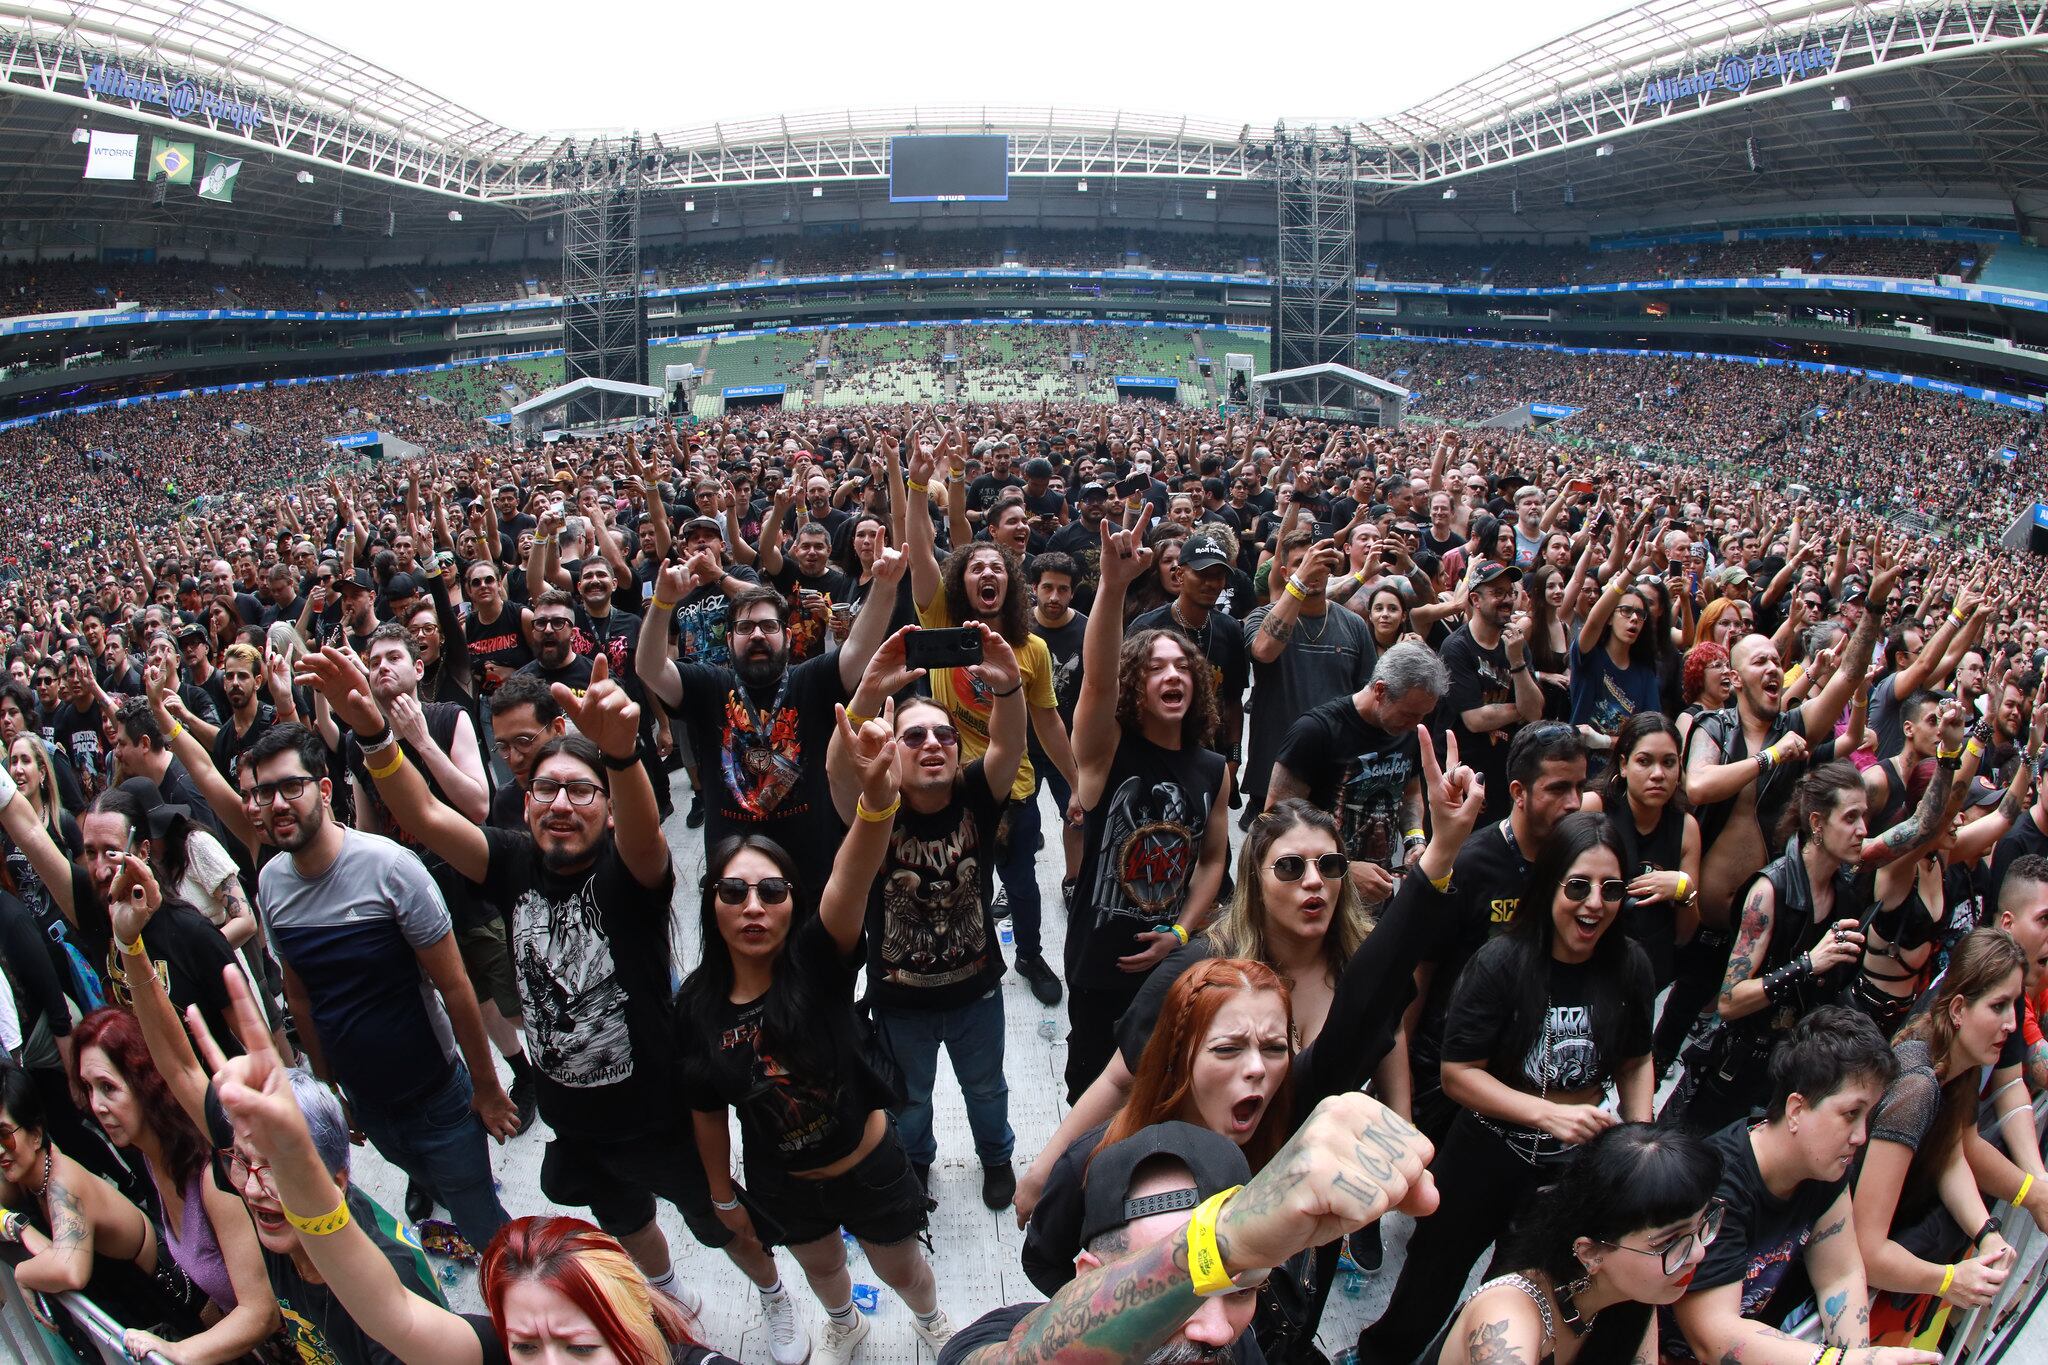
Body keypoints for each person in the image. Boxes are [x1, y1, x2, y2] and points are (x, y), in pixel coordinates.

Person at [304, 644, 804, 1355]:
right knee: (628, 1224)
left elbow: (644, 832)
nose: (561, 802)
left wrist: (624, 758)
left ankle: (774, 1293)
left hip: (659, 1109)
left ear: (604, 809)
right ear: (527, 801)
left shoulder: (628, 876)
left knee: (724, 1222)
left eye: (581, 789)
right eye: (546, 789)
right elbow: (419, 808)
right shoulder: (509, 861)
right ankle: (667, 1291)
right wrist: (375, 734)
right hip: (578, 1118)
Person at [676, 702, 953, 1365]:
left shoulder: (818, 959)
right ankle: (843, 1324)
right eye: (733, 891)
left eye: (771, 890)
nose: (753, 905)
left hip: (870, 1166)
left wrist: (876, 803)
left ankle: (932, 1319)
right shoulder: (696, 1005)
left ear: (793, 901)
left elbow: (853, 875)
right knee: (824, 1271)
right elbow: (706, 1107)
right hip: (783, 1179)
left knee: (904, 1271)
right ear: (711, 901)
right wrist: (722, 1195)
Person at [116, 851, 451, 1365]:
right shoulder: (250, 1165)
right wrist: (131, 945)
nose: (250, 1186)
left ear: (335, 1179)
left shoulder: (386, 1298)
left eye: (274, 1168)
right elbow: (180, 1070)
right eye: (242, 1162)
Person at [1358, 810, 1656, 1365]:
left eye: (1611, 889)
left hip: (1568, 1173)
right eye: (1578, 886)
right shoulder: (1501, 962)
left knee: (1516, 1293)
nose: (1594, 903)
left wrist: (1638, 1137)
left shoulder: (1630, 966)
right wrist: (1549, 1114)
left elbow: (1637, 1058)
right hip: (1484, 1153)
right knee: (1429, 1282)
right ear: (1549, 887)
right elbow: (1458, 1075)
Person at [239, 721, 516, 1253]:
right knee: (444, 1192)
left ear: (323, 790)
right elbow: (300, 995)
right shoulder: (271, 884)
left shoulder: (391, 869)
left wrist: (485, 1086)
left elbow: (456, 986)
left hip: (437, 1097)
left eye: (288, 787)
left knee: (487, 1227)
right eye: (260, 792)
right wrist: (329, 1094)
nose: (274, 804)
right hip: (368, 1109)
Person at [941, 1092, 1437, 1365]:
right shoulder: (998, 1338)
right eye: (1182, 1291)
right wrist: (1221, 1244)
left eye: (1242, 1291)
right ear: (1090, 1275)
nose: (1217, 1330)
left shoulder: (1233, 1353)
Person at [827, 621, 1024, 1210]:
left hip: (976, 993)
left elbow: (1009, 747)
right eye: (914, 738)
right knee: (910, 1098)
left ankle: (996, 1157)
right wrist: (866, 694)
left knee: (987, 1090)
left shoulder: (974, 797)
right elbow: (841, 771)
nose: (932, 744)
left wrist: (1010, 690)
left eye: (943, 733)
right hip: (900, 1001)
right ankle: (916, 1162)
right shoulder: (874, 807)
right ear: (892, 751)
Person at [905, 435, 1079, 999]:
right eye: (975, 567)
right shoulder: (942, 630)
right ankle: (975, 963)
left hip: (1015, 789)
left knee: (1023, 885)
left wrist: (1079, 784)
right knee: (961, 886)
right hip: (949, 786)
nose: (986, 573)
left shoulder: (1030, 650)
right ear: (963, 584)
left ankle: (1029, 956)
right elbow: (920, 551)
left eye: (996, 568)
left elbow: (1049, 724)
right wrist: (915, 485)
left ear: (1009, 584)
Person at [1668, 1007, 1941, 1365]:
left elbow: (1840, 1275)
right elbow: (1714, 1337)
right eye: (1849, 1114)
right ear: (1796, 1109)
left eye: (1868, 1116)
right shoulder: (1721, 1185)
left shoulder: (1823, 1167)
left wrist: (1859, 1358)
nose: (1861, 1136)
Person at [1062, 519, 1229, 1101]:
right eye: (1155, 667)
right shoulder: (1107, 753)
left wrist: (1182, 932)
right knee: (1091, 1096)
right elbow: (1097, 685)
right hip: (1097, 966)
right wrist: (1111, 587)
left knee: (1160, 1090)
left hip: (1168, 968)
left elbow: (1212, 859)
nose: (1172, 674)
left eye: (1182, 667)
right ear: (1137, 685)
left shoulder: (1213, 769)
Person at [1020, 957, 1298, 1292]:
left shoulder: (1290, 1141)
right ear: (1178, 1059)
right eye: (1227, 1049)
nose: (1258, 1068)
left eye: (1274, 1048)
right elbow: (1042, 1260)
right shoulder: (1088, 1164)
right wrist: (1107, 1321)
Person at [635, 550, 904, 889]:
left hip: (812, 875)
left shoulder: (812, 680)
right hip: (734, 883)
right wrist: (661, 604)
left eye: (768, 625)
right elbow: (650, 668)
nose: (758, 635)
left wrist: (884, 586)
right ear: (729, 640)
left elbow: (859, 649)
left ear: (787, 638)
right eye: (745, 627)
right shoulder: (708, 686)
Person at [67, 1007, 279, 1364]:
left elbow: (262, 1311)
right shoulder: (154, 1160)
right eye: (89, 1089)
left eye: (108, 1088)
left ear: (145, 1083)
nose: (96, 1105)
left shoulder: (211, 1176)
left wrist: (176, 1352)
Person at [1430, 1123, 1723, 1365]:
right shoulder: (1507, 1318)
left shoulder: (1634, 1295)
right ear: (1590, 1252)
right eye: (1669, 1240)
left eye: (1702, 1225)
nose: (1698, 1252)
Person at [1851, 930, 2027, 1325]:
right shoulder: (1916, 1086)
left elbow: (1949, 1154)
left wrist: (1987, 1233)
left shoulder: (1959, 1062)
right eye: (1998, 1006)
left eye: (2015, 1005)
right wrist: (1948, 1280)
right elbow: (1866, 1248)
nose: (2012, 1024)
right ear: (1959, 1009)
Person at [0, 1059, 207, 1340]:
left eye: (5, 1136)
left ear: (36, 1134)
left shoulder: (64, 1182)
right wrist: (19, 1226)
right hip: (138, 1319)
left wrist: (22, 1273)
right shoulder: (28, 1174)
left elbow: (71, 1271)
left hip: (176, 1308)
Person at [1266, 640, 1443, 910]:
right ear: (1381, 691)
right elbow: (1275, 823)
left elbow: (1411, 792)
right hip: (1320, 897)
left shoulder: (1408, 732)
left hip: (1378, 899)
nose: (1415, 725)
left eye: (1423, 716)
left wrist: (1415, 841)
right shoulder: (1315, 731)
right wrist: (1343, 868)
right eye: (1409, 714)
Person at [1241, 531, 1377, 816]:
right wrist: (1300, 581)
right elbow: (1265, 650)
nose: (1312, 569)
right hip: (1273, 771)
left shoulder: (1354, 625)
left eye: (1318, 562)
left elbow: (1369, 699)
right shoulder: (1260, 616)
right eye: (1301, 563)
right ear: (1284, 572)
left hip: (1334, 775)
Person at [1581, 713, 1702, 990]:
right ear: (1623, 765)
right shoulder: (1593, 808)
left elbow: (1685, 934)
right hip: (1591, 965)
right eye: (1645, 761)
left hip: (1649, 974)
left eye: (1669, 763)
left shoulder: (1686, 828)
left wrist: (1685, 890)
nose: (1658, 774)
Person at [1437, 560, 1543, 822]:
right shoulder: (1456, 647)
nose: (1507, 599)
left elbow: (1535, 713)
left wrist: (1517, 661)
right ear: (1475, 599)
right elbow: (1475, 720)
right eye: (1497, 593)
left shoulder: (1516, 644)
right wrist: (1520, 708)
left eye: (1510, 592)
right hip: (1463, 773)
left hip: (1504, 772)